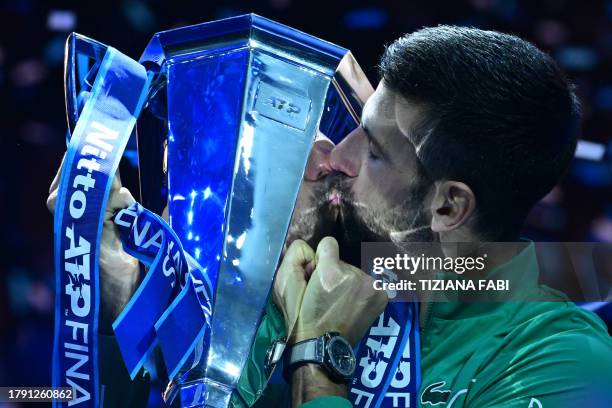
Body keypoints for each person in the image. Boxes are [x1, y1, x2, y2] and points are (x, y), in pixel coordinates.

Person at [48, 26, 612, 407]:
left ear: (448, 205)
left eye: (371, 150)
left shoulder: (562, 362)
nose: (336, 159)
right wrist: (121, 313)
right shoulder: (308, 273)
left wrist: (320, 358)